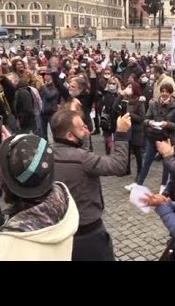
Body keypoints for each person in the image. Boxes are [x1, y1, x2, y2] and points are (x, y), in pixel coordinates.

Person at [50, 109, 131, 261]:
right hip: (88, 232)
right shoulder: (82, 159)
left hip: (60, 229)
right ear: (69, 136)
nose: (87, 130)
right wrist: (120, 133)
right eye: (82, 128)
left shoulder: (46, 153)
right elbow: (119, 165)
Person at [0, 134, 79, 261]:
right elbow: (34, 162)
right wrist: (18, 149)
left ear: (4, 181)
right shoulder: (63, 201)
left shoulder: (3, 246)